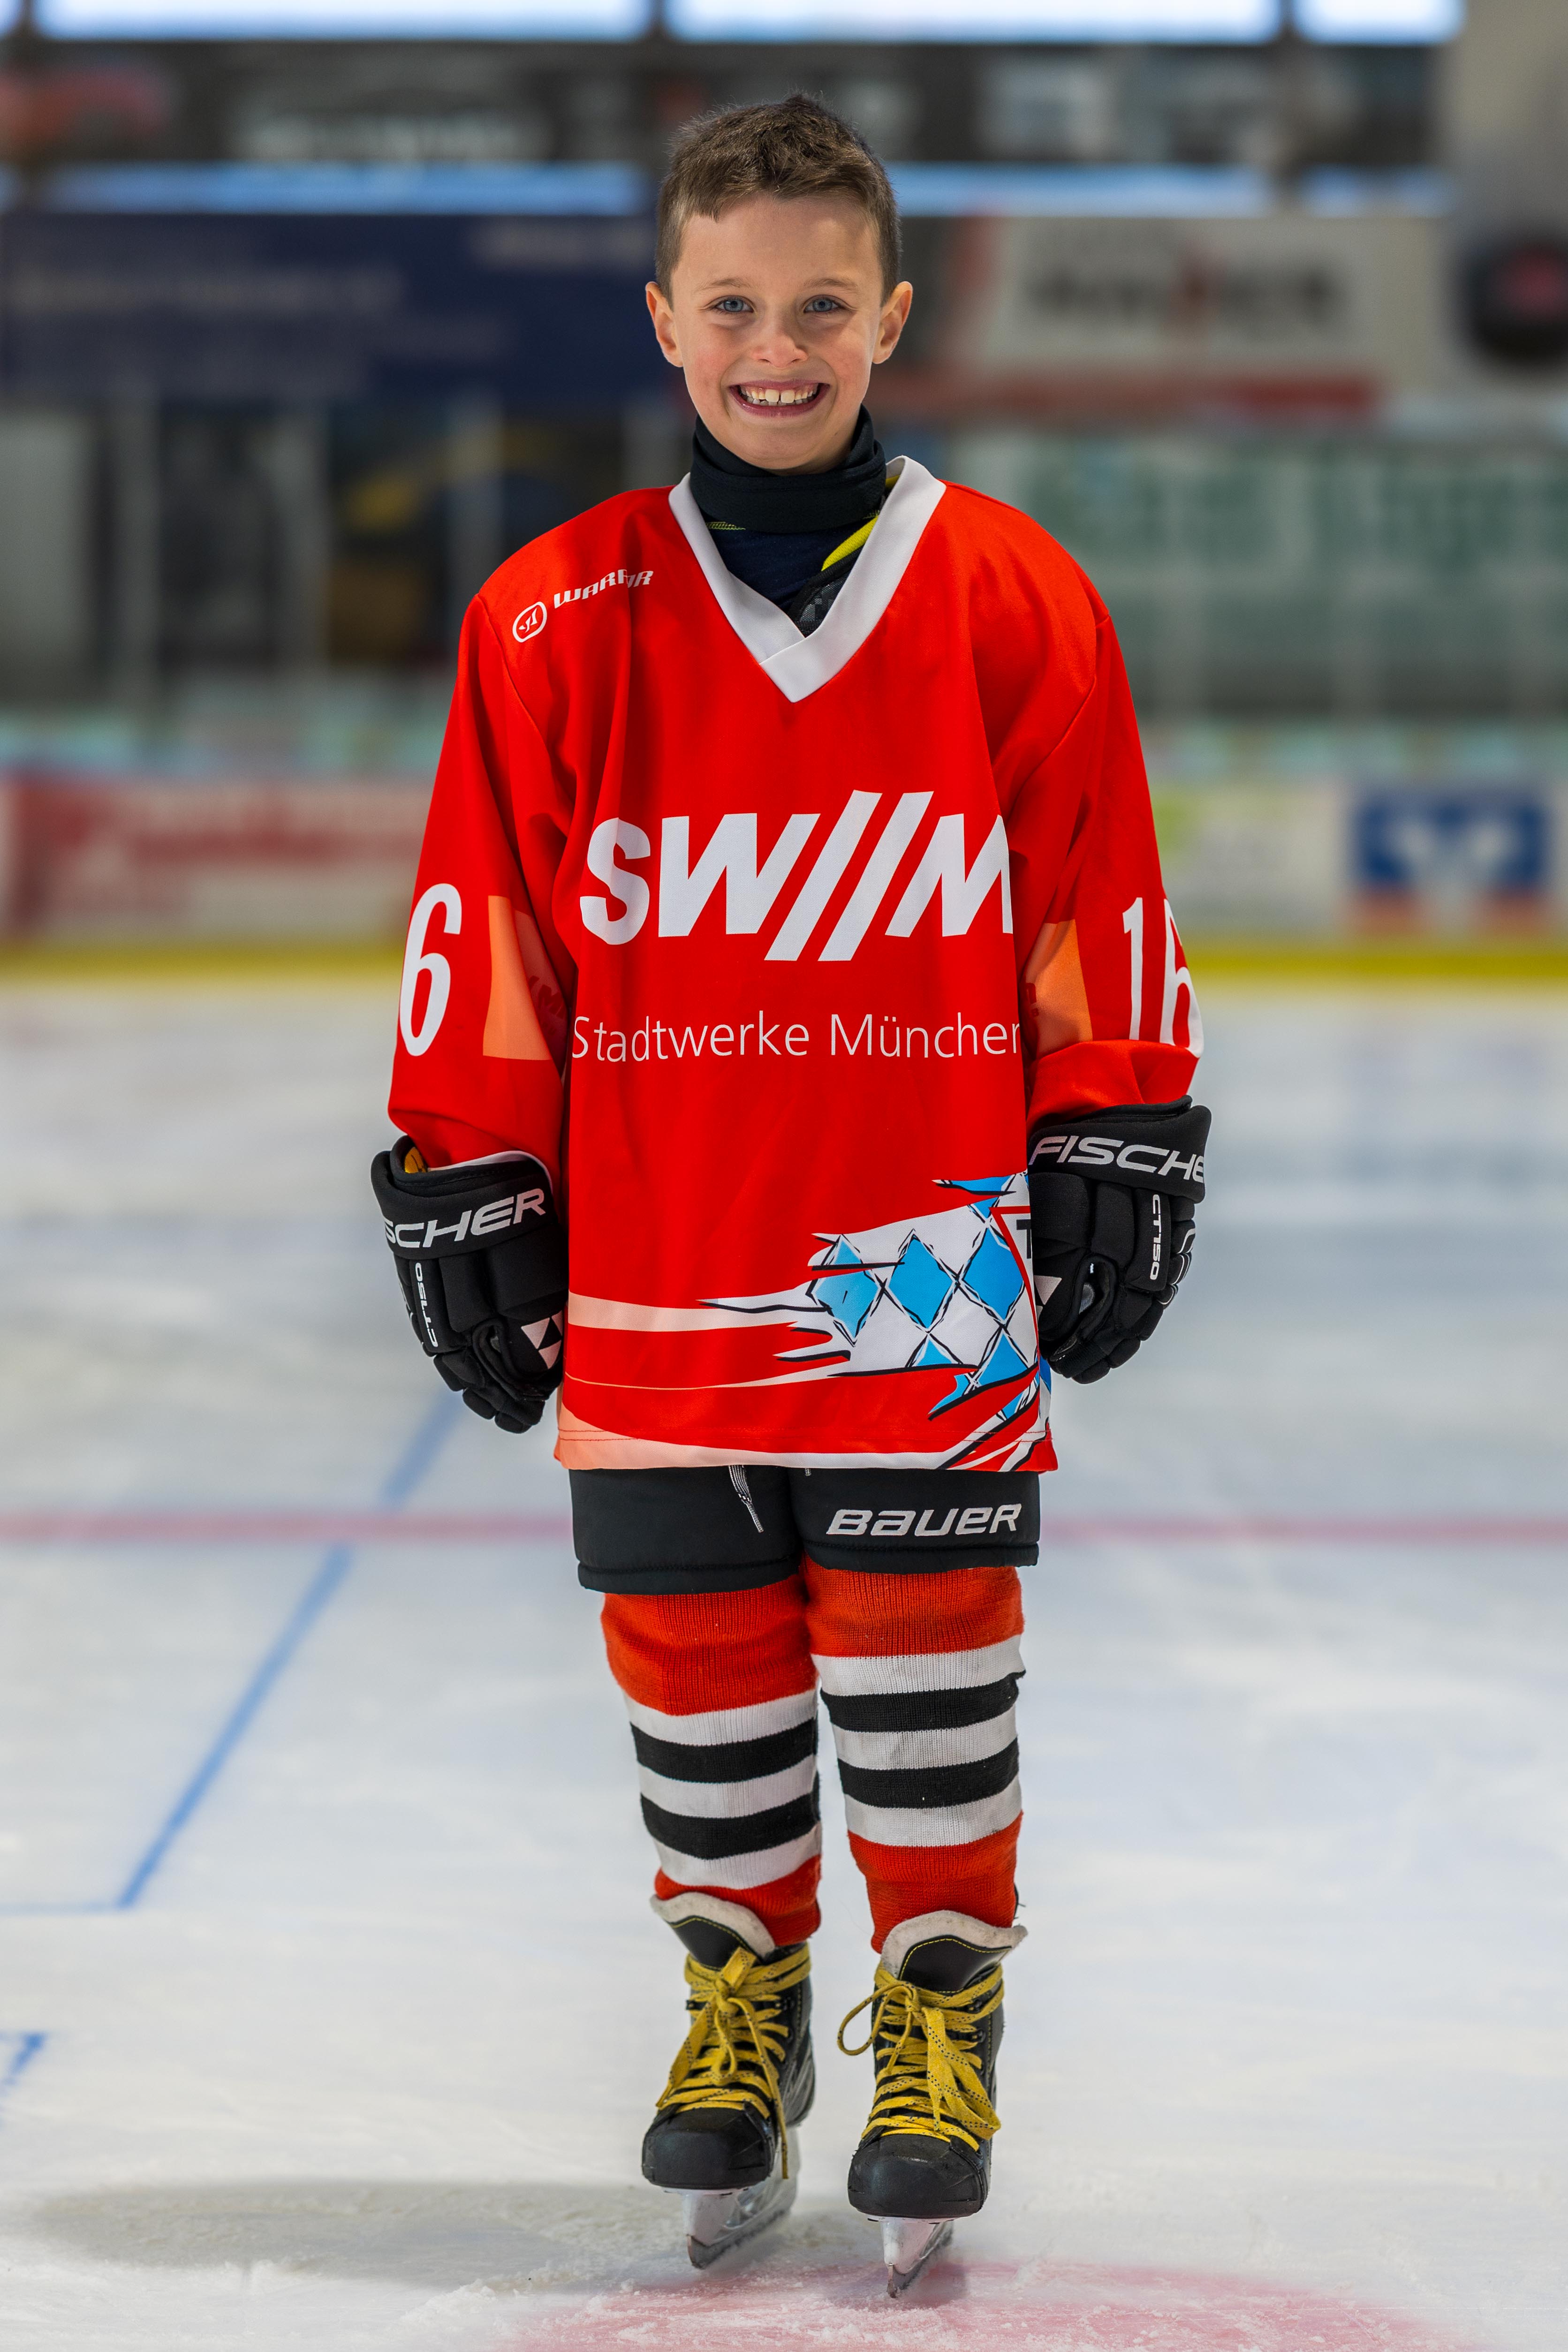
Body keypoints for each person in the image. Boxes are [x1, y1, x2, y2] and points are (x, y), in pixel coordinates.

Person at [372, 94, 1209, 2297]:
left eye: (819, 308)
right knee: (694, 1662)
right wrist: (469, 1167)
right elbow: (491, 926)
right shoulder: (549, 617)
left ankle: (936, 2011)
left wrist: (1115, 1116)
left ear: (889, 317)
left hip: (924, 1256)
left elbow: (1092, 897)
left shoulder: (1014, 598)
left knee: (930, 1658)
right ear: (664, 319)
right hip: (658, 1244)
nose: (775, 348)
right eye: (731, 306)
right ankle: (734, 1997)